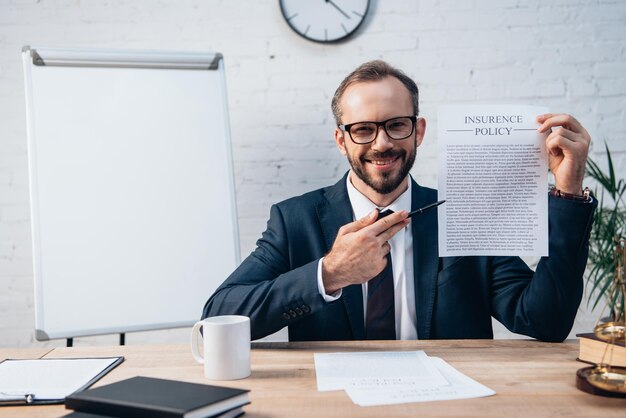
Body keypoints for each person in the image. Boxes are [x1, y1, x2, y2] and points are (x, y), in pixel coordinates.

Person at [202, 60, 595, 342]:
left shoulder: (465, 213)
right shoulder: (294, 220)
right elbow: (217, 316)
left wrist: (569, 191)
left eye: (396, 125)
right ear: (341, 140)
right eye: (363, 129)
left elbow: (545, 321)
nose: (383, 142)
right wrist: (330, 273)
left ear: (418, 131)